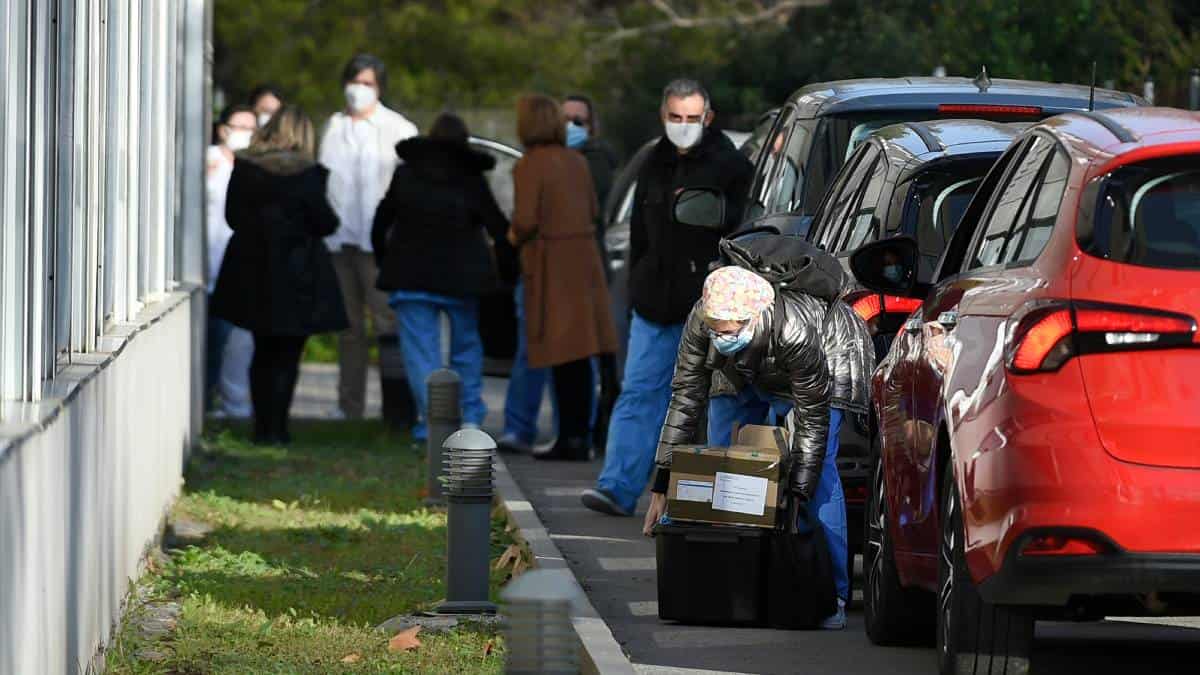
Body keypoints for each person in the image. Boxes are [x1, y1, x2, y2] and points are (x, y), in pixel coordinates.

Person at [642, 263, 849, 630]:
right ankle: (731, 576)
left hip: (825, 364)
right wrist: (662, 483)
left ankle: (831, 592)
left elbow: (813, 426)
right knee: (720, 462)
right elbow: (686, 398)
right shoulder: (703, 319)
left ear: (752, 318)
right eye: (713, 330)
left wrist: (796, 497)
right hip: (745, 367)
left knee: (820, 470)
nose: (717, 337)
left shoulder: (795, 329)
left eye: (725, 332)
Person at [581, 78, 754, 516]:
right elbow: (640, 232)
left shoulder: (730, 166)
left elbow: (739, 234)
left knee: (708, 404)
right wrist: (636, 286)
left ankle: (700, 503)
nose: (683, 124)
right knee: (639, 393)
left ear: (707, 117)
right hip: (653, 303)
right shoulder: (653, 161)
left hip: (706, 307)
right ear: (663, 116)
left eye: (691, 117)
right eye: (675, 116)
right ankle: (618, 486)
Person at [211, 105, 349, 445]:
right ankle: (279, 428)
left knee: (262, 350)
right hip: (298, 272)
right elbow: (325, 222)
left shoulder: (246, 167)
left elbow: (233, 217)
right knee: (287, 354)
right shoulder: (309, 173)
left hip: (253, 269)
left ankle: (261, 428)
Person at [371, 113, 510, 442]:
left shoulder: (407, 173)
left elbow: (381, 220)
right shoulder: (471, 177)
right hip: (462, 279)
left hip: (410, 274)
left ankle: (435, 423)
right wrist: (505, 269)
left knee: (422, 355)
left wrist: (384, 260)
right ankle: (470, 415)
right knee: (466, 349)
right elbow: (497, 225)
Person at [508, 94, 618, 461]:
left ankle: (566, 438)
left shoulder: (529, 165)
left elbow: (525, 220)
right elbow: (593, 208)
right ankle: (578, 436)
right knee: (580, 355)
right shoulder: (577, 161)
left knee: (557, 352)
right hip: (583, 262)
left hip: (550, 264)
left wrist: (512, 238)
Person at [320, 53, 419, 420]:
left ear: (379, 88)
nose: (358, 90)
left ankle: (398, 407)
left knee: (388, 324)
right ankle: (349, 406)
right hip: (340, 241)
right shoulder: (333, 126)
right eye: (354, 81)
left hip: (379, 246)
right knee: (348, 328)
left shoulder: (399, 128)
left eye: (367, 83)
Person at [563, 94, 622, 454]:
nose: (570, 127)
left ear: (591, 126)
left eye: (578, 121)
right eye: (565, 120)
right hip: (572, 270)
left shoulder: (597, 162)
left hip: (593, 269)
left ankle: (592, 431)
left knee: (596, 355)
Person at [205, 104, 258, 418]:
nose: (246, 134)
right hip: (207, 265)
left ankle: (234, 403)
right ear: (223, 129)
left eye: (252, 128)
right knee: (213, 340)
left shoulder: (255, 168)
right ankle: (207, 401)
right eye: (240, 127)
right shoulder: (208, 161)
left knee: (237, 343)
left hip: (240, 266)